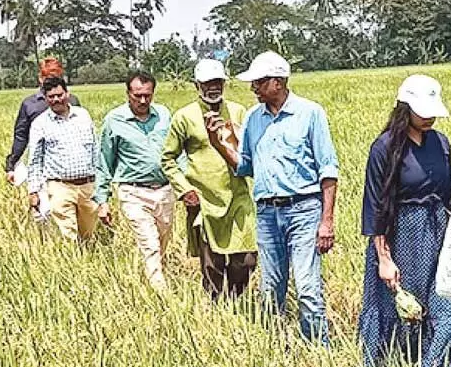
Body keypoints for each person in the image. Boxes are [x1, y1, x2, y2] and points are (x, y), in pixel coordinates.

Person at [205, 50, 340, 344]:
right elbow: (245, 166)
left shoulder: (310, 113)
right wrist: (218, 144)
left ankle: (318, 349)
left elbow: (328, 170)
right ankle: (275, 347)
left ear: (278, 82)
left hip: (304, 209)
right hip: (267, 213)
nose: (253, 88)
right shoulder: (254, 118)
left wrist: (326, 221)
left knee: (307, 287)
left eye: (259, 82)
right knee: (270, 287)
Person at [359, 75, 451, 367]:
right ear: (405, 107)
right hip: (399, 236)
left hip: (436, 237)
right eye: (424, 110)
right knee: (397, 312)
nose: (430, 117)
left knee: (446, 309)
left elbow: (450, 199)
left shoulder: (441, 143)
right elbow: (375, 206)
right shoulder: (384, 148)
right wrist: (384, 258)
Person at [160, 59, 258, 299]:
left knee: (245, 258)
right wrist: (185, 190)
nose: (213, 88)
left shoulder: (238, 112)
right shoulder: (184, 117)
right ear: (197, 85)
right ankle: (217, 308)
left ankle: (236, 300)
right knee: (212, 264)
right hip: (204, 201)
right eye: (207, 83)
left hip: (238, 196)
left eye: (217, 82)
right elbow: (168, 159)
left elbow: (249, 151)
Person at [95, 70, 174, 289]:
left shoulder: (164, 116)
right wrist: (102, 201)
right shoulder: (114, 120)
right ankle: (161, 294)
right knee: (149, 244)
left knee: (161, 242)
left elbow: (177, 153)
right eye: (137, 95)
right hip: (133, 192)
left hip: (165, 190)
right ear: (127, 93)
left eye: (147, 95)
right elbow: (104, 161)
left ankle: (156, 278)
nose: (142, 100)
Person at [27, 77, 99, 242]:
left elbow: (96, 148)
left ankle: (87, 260)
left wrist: (101, 182)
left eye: (59, 95)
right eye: (51, 97)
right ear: (45, 98)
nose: (56, 99)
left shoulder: (83, 115)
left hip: (87, 185)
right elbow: (35, 160)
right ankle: (71, 262)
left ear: (67, 93)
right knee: (67, 234)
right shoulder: (40, 123)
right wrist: (33, 190)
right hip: (60, 186)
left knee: (88, 232)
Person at [6, 56, 81, 213]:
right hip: (40, 164)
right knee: (42, 210)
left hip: (67, 165)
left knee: (67, 207)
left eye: (56, 78)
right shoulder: (30, 104)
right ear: (41, 78)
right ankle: (44, 237)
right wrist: (11, 165)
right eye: (48, 78)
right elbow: (21, 136)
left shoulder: (72, 101)